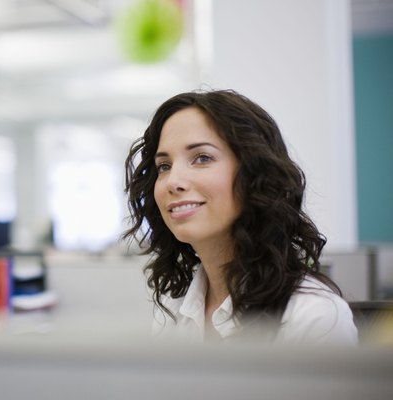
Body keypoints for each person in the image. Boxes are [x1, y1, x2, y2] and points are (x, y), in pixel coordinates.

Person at [123, 89, 357, 344]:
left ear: (254, 175)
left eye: (202, 158)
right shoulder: (174, 306)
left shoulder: (312, 315)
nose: (173, 181)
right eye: (164, 166)